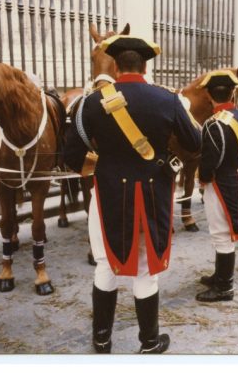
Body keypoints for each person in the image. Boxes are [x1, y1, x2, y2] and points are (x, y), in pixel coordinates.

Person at [63, 35, 201, 354]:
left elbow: (71, 155)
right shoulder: (167, 100)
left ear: (114, 65)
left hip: (107, 194)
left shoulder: (92, 102)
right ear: (145, 65)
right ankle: (149, 342)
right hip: (154, 193)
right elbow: (195, 143)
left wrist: (104, 165)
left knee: (104, 263)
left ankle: (101, 339)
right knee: (144, 267)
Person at [195, 70, 238, 302]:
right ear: (232, 93)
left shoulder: (212, 124)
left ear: (209, 95)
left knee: (221, 233)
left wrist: (204, 178)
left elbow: (211, 159)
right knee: (226, 231)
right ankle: (220, 275)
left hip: (220, 181)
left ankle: (224, 287)